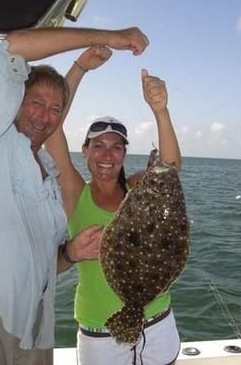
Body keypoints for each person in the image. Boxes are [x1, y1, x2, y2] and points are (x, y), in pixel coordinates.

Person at [0, 26, 148, 365]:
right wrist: (109, 38)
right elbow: (15, 46)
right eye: (36, 103)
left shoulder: (50, 179)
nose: (45, 115)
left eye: (56, 109)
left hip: (36, 330)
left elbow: (45, 263)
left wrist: (69, 253)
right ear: (14, 103)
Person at [44, 47, 182, 365]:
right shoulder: (75, 192)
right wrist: (79, 68)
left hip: (158, 320)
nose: (107, 155)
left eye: (116, 147)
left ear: (124, 154)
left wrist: (161, 110)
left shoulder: (139, 188)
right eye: (99, 146)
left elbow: (171, 171)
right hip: (100, 329)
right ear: (84, 152)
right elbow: (53, 130)